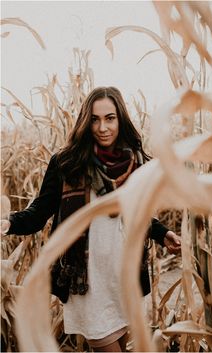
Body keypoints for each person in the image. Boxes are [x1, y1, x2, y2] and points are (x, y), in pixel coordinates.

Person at [1, 86, 181, 352]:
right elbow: (39, 213)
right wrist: (9, 222)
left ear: (120, 119)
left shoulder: (138, 164)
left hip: (124, 278)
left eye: (110, 118)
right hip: (86, 283)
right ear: (86, 121)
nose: (102, 127)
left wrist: (162, 233)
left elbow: (137, 215)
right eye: (95, 119)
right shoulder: (66, 163)